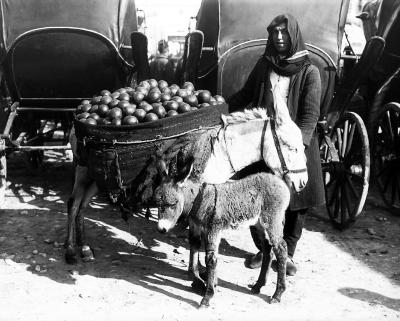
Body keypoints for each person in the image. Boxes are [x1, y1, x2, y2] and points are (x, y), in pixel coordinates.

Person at [227, 14, 325, 276]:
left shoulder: (309, 72)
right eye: (275, 33)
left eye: (284, 33)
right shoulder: (264, 65)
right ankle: (264, 249)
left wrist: (297, 148)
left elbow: (309, 116)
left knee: (295, 202)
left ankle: (288, 253)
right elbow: (246, 95)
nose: (279, 37)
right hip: (265, 142)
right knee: (256, 196)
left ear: (293, 35)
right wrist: (219, 109)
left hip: (293, 147)